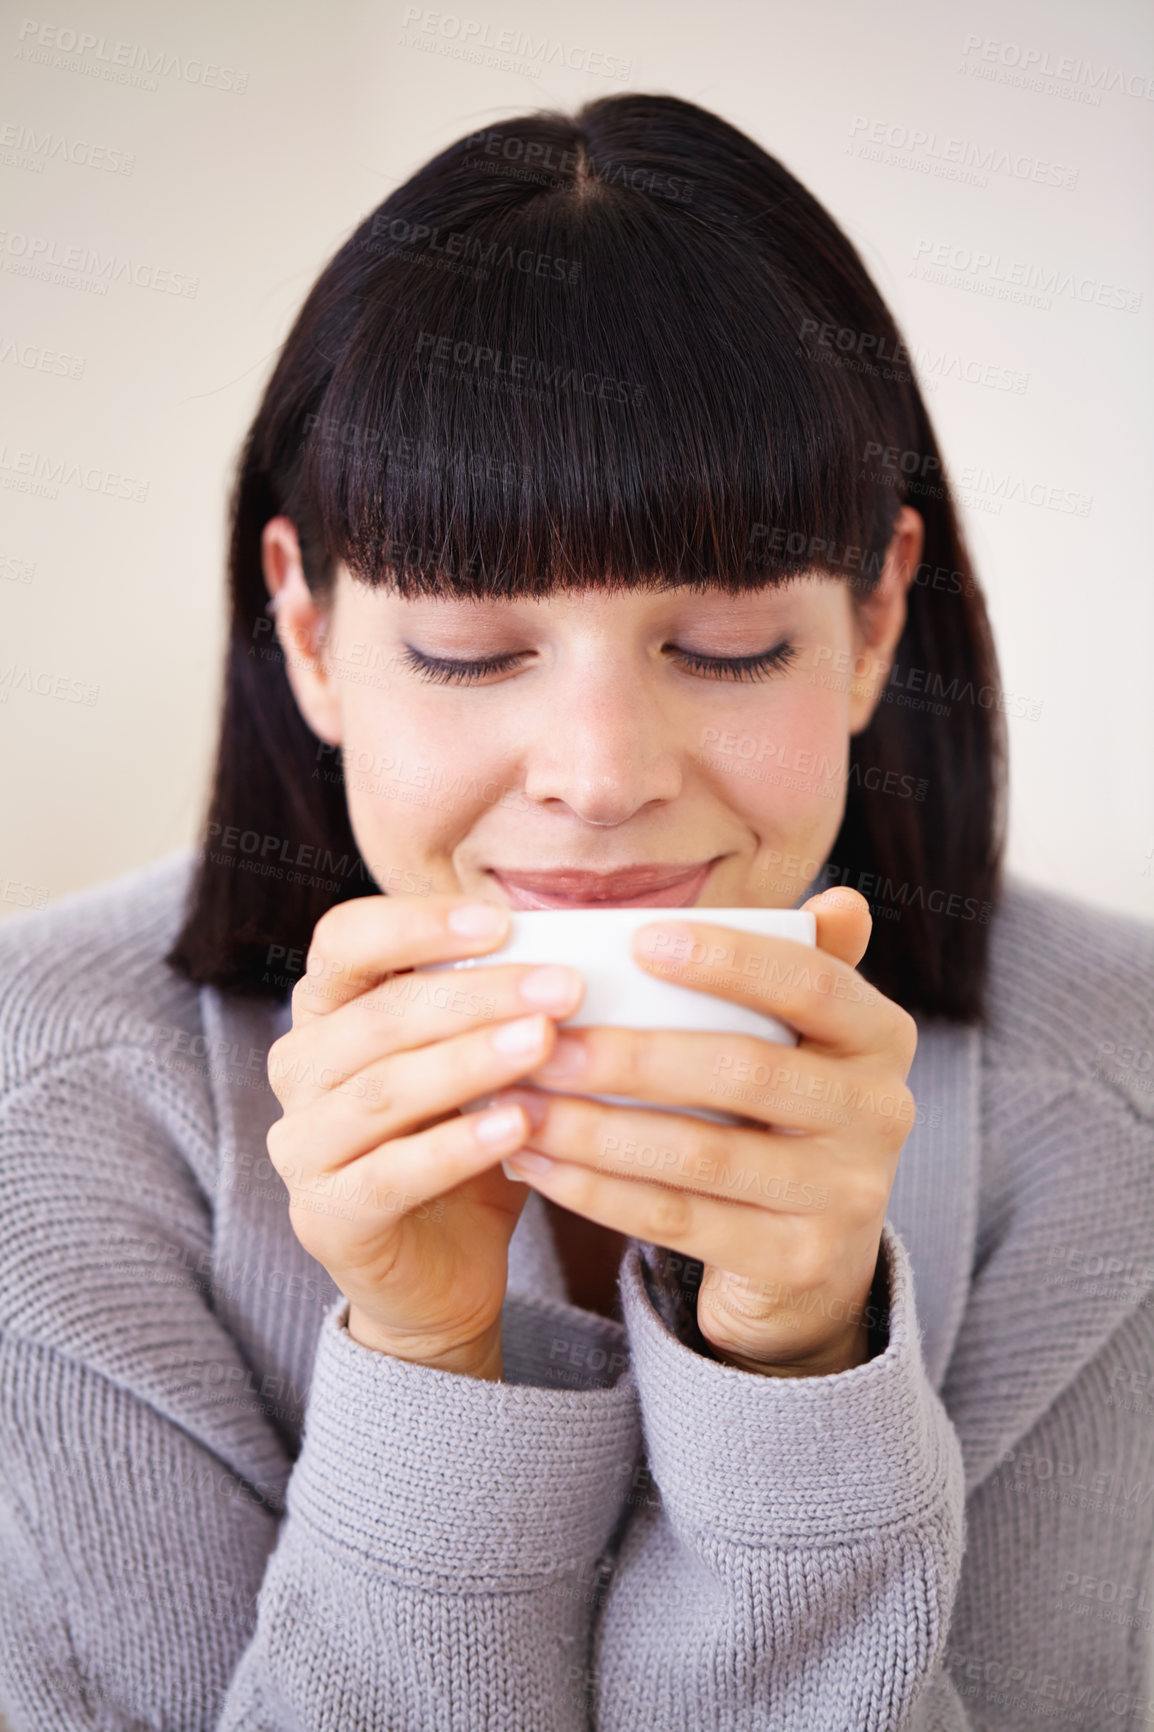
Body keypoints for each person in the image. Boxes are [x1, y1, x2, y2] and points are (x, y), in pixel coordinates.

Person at [1, 91, 1151, 1732]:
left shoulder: (1116, 1084)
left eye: (729, 646)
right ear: (309, 632)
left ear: (877, 612)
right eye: (471, 655)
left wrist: (799, 1371)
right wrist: (419, 1358)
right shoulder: (43, 1100)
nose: (600, 775)